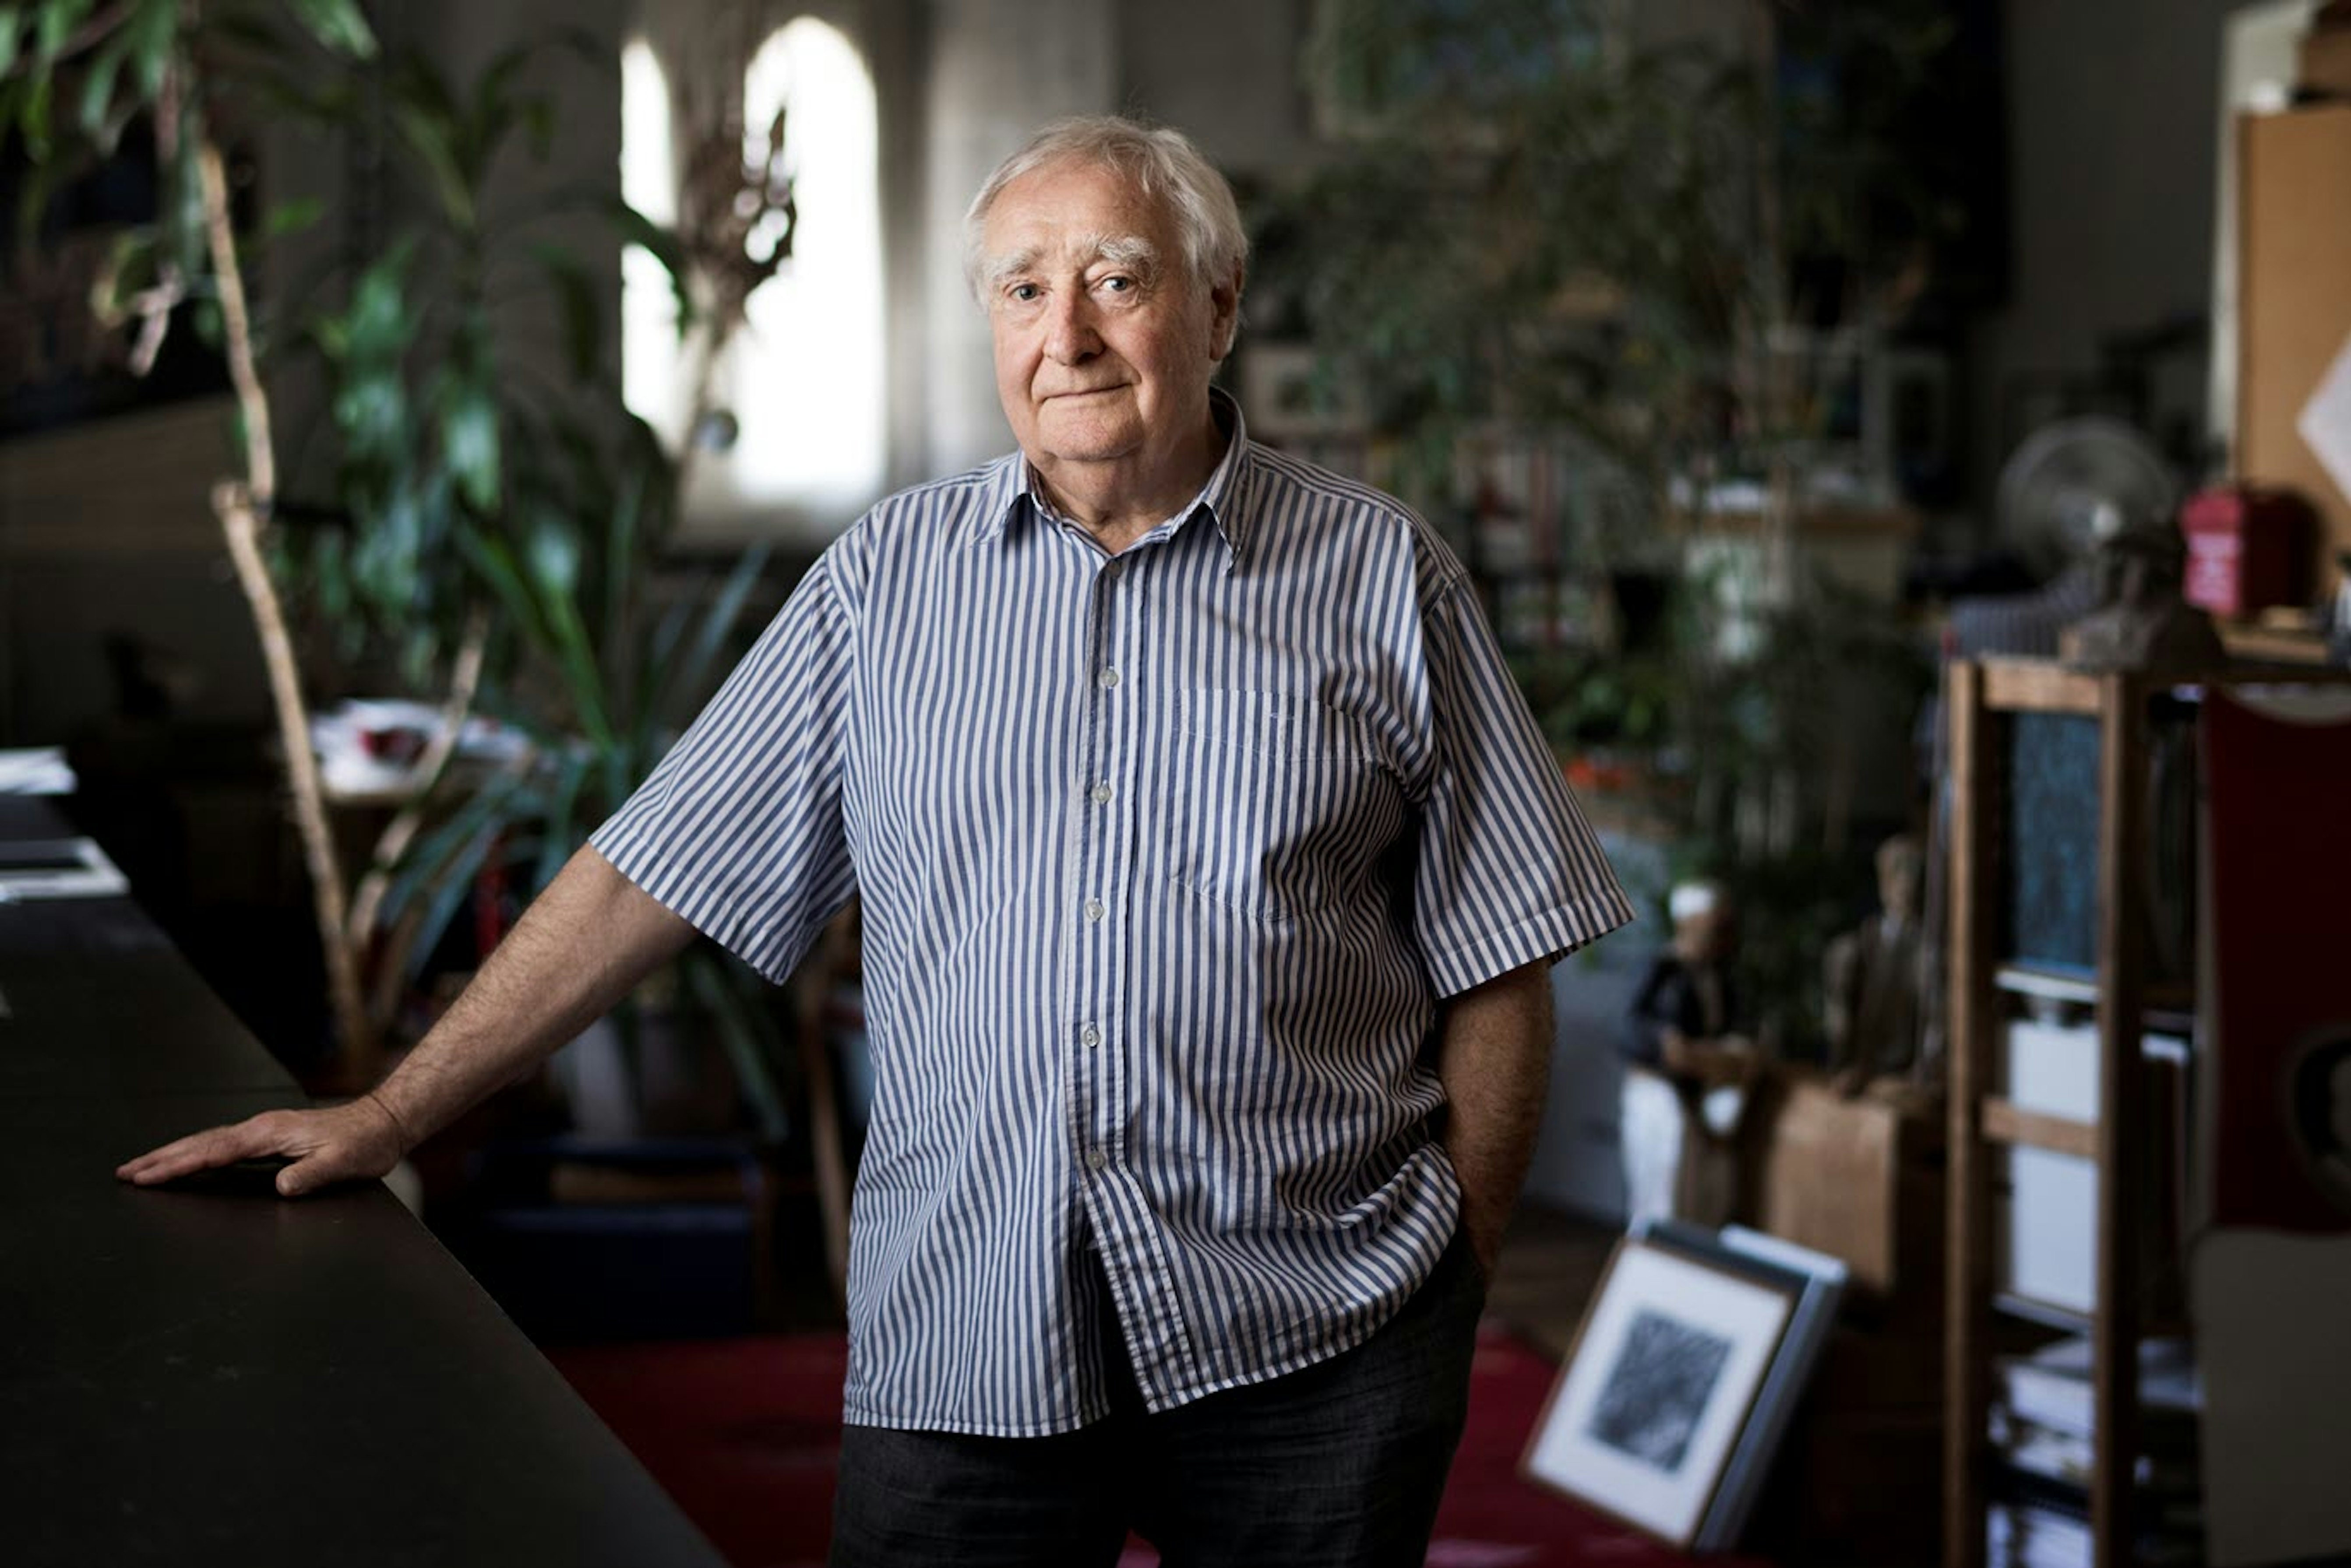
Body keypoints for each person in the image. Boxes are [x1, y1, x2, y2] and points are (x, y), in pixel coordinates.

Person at [119, 116, 1632, 1566]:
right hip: (968, 1327)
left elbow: (1497, 954)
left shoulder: (1380, 578)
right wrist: (393, 1111)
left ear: (1218, 305)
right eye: (1021, 291)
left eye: (1116, 278)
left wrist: (1456, 1269)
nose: (1067, 334)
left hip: (1315, 1331)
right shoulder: (885, 582)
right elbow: (654, 868)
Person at [1618, 880, 1757, 1229]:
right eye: (1711, 925)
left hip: (1699, 1096)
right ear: (1688, 923)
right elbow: (1627, 1024)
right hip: (1659, 1092)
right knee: (1657, 1190)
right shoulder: (1661, 968)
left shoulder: (1720, 976)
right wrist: (1664, 1042)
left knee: (1696, 1193)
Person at [1822, 832, 1930, 1092]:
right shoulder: (1859, 946)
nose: (1906, 885)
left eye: (1913, 876)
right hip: (1861, 1069)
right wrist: (1846, 1063)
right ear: (1884, 884)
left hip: (1907, 1074)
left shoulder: (1928, 949)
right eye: (1897, 875)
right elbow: (1840, 1017)